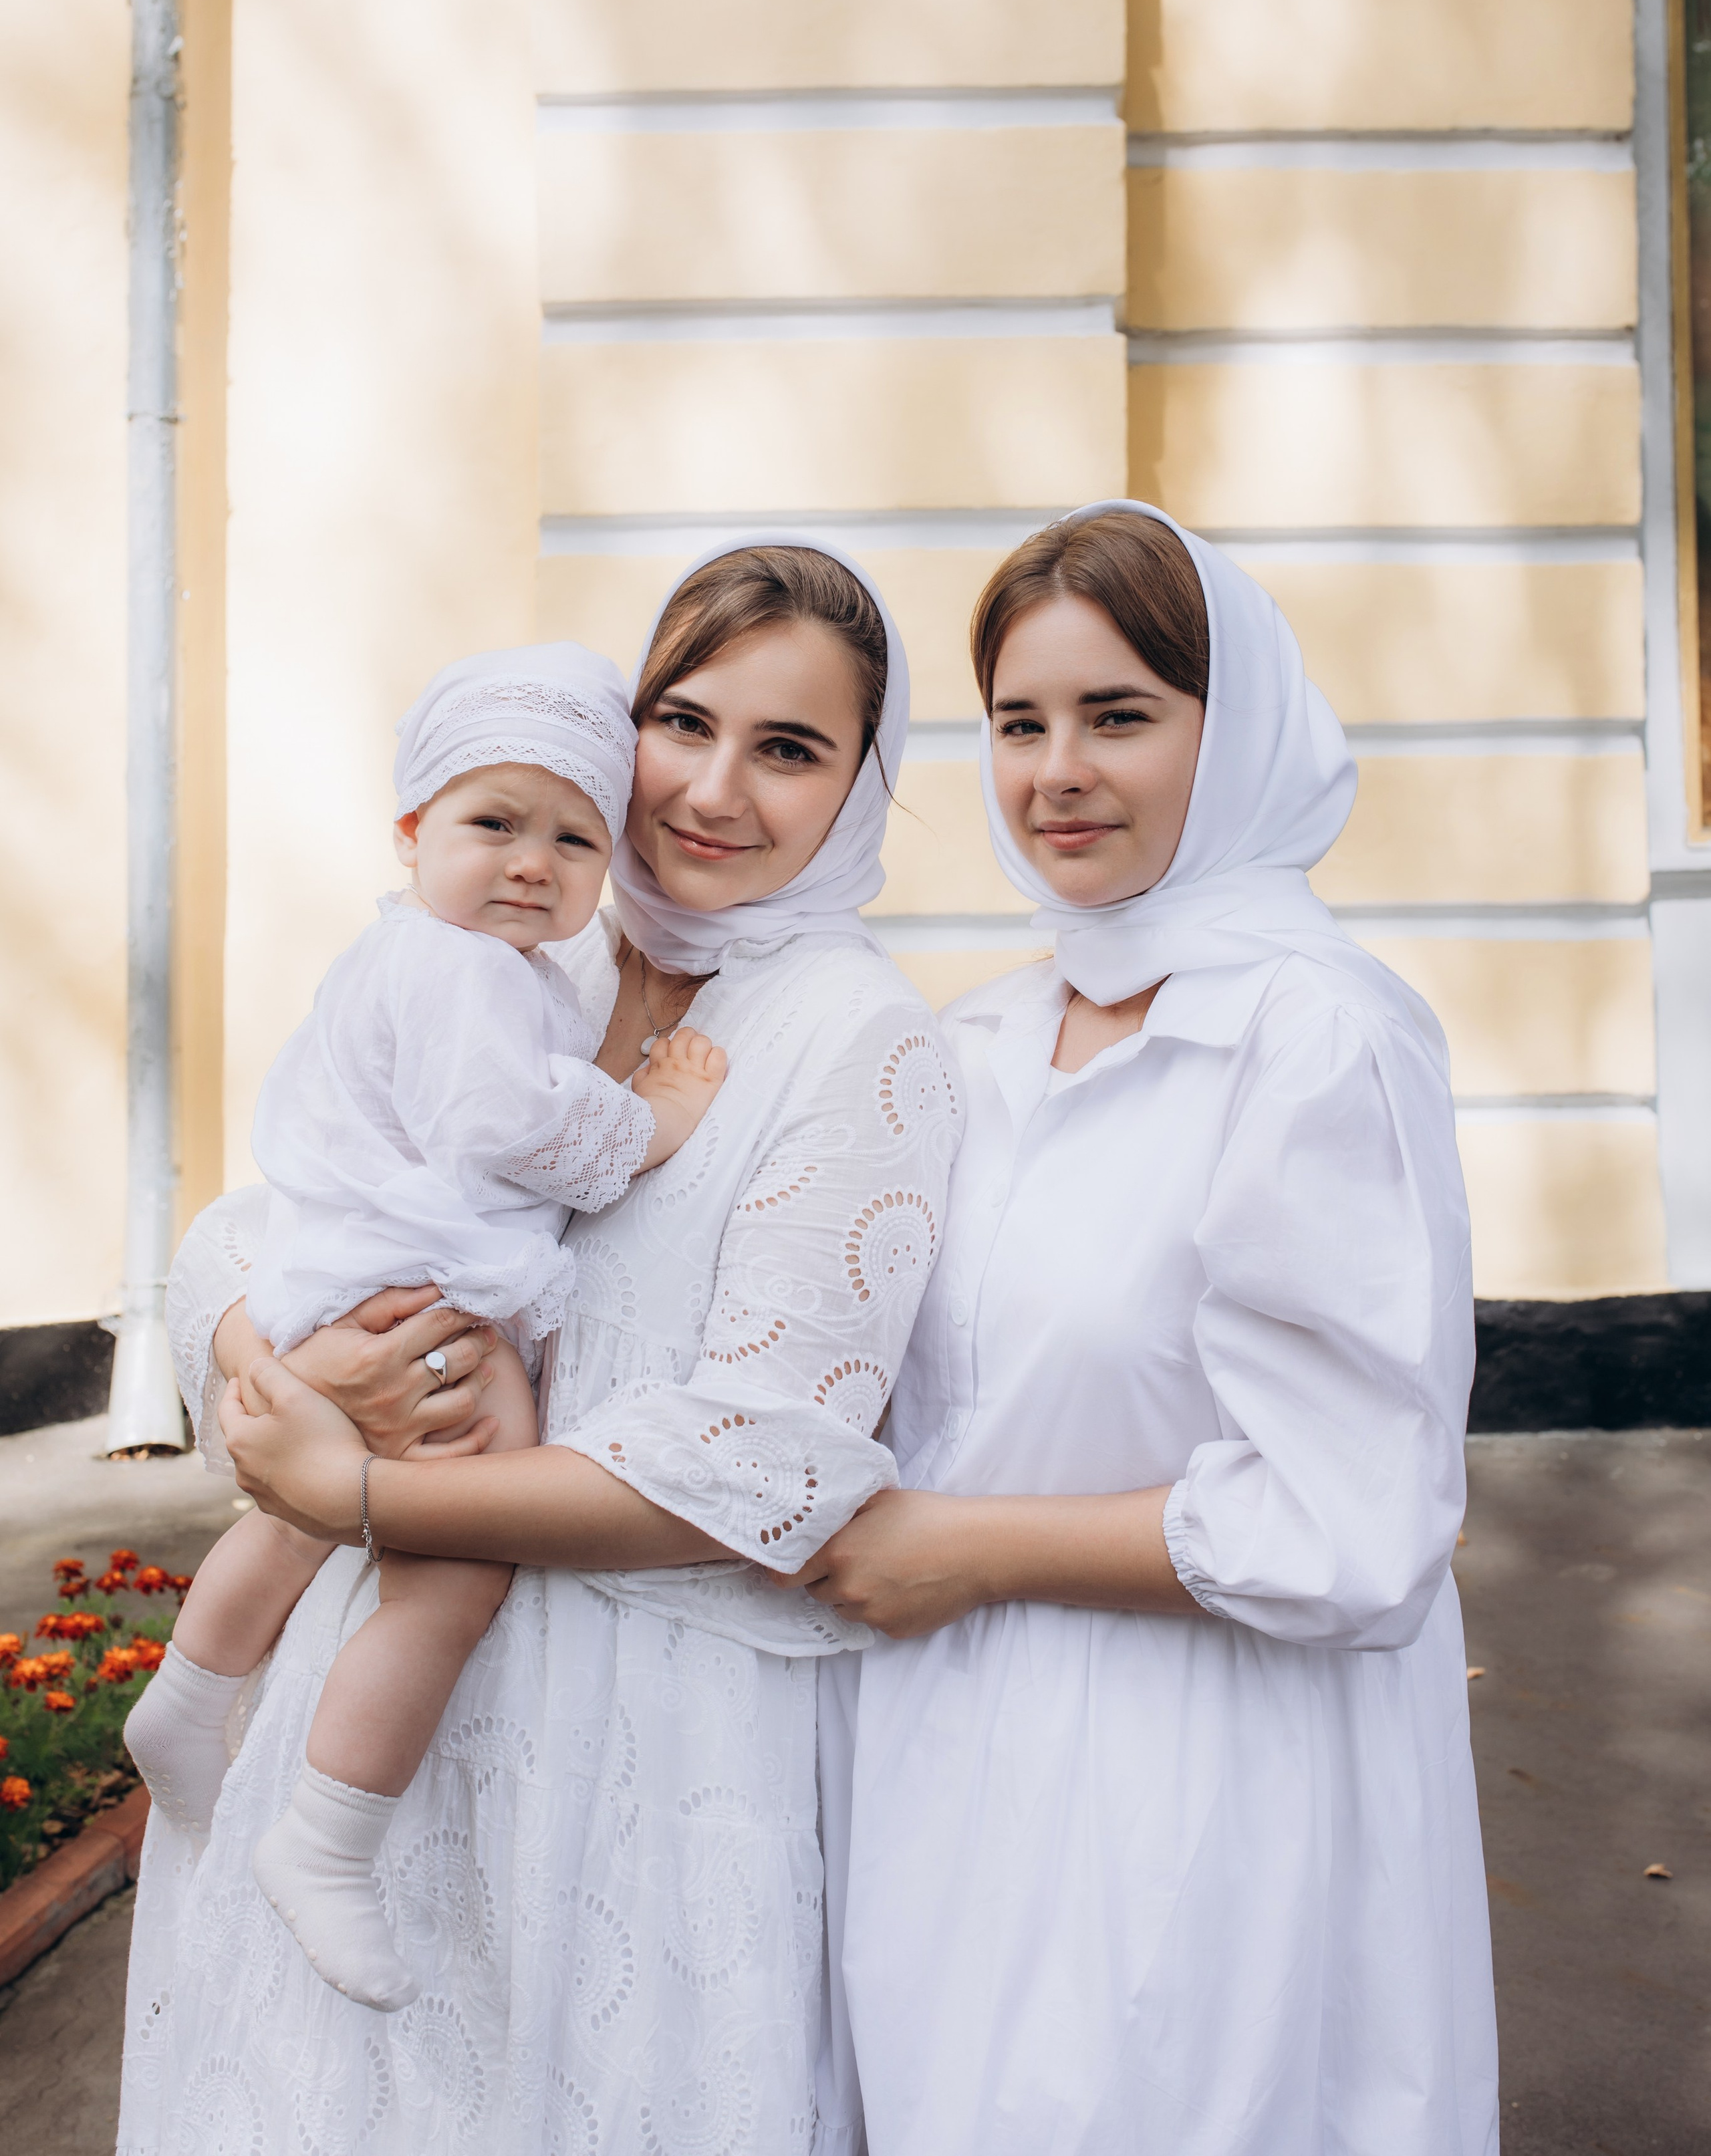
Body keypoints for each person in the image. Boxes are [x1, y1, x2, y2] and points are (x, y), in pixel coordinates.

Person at [118, 540, 960, 2156]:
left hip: (632, 1744)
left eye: (788, 750)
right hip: (363, 1722)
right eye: (681, 720)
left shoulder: (853, 1041)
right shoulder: (526, 939)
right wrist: (299, 1370)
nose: (713, 789)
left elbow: (763, 1467)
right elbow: (260, 1216)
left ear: (860, 787)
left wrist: (360, 1496)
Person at [798, 503, 1500, 2156]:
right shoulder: (978, 1041)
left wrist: (967, 1548)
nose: (1054, 773)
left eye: (1118, 716)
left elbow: (1351, 1523)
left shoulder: (1312, 1038)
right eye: (1019, 722)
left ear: (1231, 728)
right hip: (941, 1767)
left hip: (1202, 1786)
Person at [123, 644, 725, 2013]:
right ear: (411, 832)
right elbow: (506, 1122)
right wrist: (654, 1121)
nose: (532, 864)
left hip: (339, 1275)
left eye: (574, 837)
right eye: (492, 824)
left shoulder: (422, 952)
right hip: (420, 1287)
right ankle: (327, 1839)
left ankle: (189, 1697)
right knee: (454, 1562)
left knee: (294, 1511)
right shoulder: (466, 973)